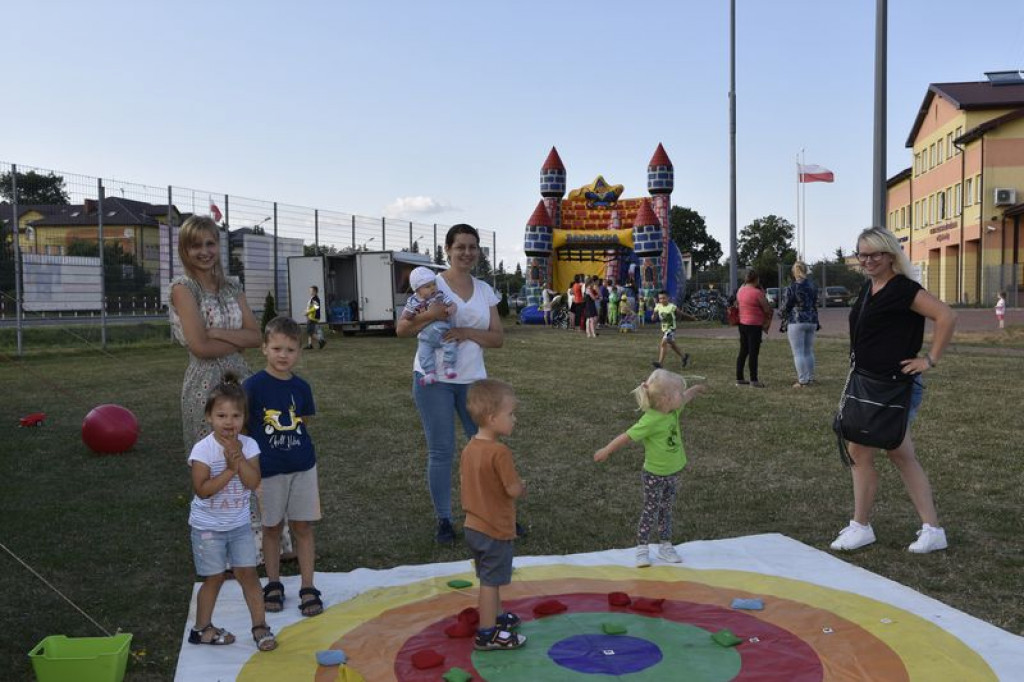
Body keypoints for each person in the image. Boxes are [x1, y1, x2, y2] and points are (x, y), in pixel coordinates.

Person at [830, 226, 956, 554]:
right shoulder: (868, 288)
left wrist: (929, 359)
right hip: (868, 384)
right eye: (862, 254)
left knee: (890, 452)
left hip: (894, 388)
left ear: (890, 256)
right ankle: (867, 525)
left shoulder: (903, 289)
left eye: (875, 254)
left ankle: (924, 529)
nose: (868, 260)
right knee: (869, 452)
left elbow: (945, 316)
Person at [396, 224, 504, 544]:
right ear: (448, 250)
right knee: (442, 451)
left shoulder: (485, 290)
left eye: (473, 247)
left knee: (485, 448)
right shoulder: (431, 284)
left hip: (473, 380)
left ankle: (493, 514)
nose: (467, 253)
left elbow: (497, 339)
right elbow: (402, 328)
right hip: (434, 380)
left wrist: (466, 333)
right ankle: (444, 519)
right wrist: (431, 315)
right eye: (460, 247)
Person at [187, 374, 277, 652]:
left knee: (248, 574)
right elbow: (203, 490)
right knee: (214, 578)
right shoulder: (203, 450)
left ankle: (260, 626)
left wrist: (239, 462)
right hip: (208, 528)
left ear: (243, 418)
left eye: (235, 416)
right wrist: (229, 469)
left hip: (238, 525)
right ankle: (202, 629)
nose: (229, 422)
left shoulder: (249, 446)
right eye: (221, 415)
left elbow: (253, 482)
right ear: (209, 417)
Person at [243, 317, 324, 619]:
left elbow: (302, 424)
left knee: (303, 526)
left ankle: (308, 585)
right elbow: (245, 430)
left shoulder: (302, 388)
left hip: (302, 467)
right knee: (272, 527)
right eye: (276, 348)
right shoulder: (251, 387)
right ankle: (273, 582)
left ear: (299, 353)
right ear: (264, 348)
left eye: (290, 349)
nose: (283, 355)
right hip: (269, 471)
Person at [594, 369, 707, 567]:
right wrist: (607, 450)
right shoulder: (651, 420)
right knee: (650, 510)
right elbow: (627, 436)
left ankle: (665, 546)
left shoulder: (673, 410)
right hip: (654, 475)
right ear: (666, 399)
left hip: (672, 473)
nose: (682, 395)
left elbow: (685, 399)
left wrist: (695, 390)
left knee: (666, 510)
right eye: (679, 393)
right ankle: (642, 549)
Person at [169, 216, 262, 451]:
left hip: (242, 379)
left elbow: (256, 336)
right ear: (184, 250)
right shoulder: (184, 289)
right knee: (212, 460)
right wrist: (238, 340)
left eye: (210, 243)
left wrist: (217, 332)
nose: (204, 251)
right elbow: (200, 348)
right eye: (196, 245)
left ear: (218, 246)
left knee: (247, 454)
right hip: (204, 384)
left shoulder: (232, 286)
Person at [461, 379, 528, 651]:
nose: (514, 419)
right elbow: (511, 489)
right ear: (492, 418)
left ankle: (497, 617)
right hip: (494, 530)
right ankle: (487, 633)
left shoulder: (469, 448)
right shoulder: (500, 452)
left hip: (473, 526)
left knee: (490, 578)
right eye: (510, 414)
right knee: (490, 582)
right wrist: (521, 488)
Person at [403, 266, 459, 385]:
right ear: (417, 290)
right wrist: (410, 314)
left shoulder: (439, 295)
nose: (433, 288)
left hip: (442, 332)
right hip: (425, 337)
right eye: (427, 286)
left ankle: (449, 367)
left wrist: (451, 309)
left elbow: (453, 305)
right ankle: (430, 373)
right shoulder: (413, 301)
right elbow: (406, 315)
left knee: (451, 345)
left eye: (433, 284)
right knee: (424, 353)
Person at [781, 262, 819, 387]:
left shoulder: (792, 287)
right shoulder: (813, 286)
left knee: (798, 353)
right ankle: (811, 377)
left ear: (794, 272)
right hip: (811, 320)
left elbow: (785, 306)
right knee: (808, 351)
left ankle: (802, 380)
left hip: (796, 321)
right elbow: (814, 303)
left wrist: (781, 314)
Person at [735, 271, 771, 388]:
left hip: (742, 324)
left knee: (743, 351)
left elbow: (738, 304)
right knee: (753, 353)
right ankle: (753, 380)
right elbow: (766, 308)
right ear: (756, 280)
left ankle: (739, 378)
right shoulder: (757, 293)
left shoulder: (740, 291)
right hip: (754, 325)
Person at [651, 291, 690, 369]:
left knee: (663, 343)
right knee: (672, 345)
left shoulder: (672, 306)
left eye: (663, 298)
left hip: (671, 328)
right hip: (665, 329)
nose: (662, 300)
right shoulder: (658, 306)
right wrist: (653, 316)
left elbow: (680, 313)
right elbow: (654, 317)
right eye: (660, 298)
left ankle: (660, 363)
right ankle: (684, 357)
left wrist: (691, 317)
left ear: (668, 298)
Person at [305, 285, 326, 350]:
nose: (310, 292)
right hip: (311, 317)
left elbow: (316, 307)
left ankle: (321, 341)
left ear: (315, 291)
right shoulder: (313, 298)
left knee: (310, 332)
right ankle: (310, 345)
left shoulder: (315, 298)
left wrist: (308, 312)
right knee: (310, 331)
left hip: (312, 318)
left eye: (311, 290)